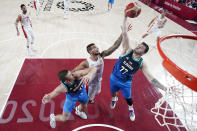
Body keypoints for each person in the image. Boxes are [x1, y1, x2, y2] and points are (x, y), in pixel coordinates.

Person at [109, 14, 167, 121]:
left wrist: (164, 88)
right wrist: (126, 17)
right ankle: (114, 98)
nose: (138, 46)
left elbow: (151, 79)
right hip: (114, 77)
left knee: (128, 99)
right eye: (139, 45)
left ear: (143, 53)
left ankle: (131, 108)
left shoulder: (141, 63)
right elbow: (125, 34)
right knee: (113, 92)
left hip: (126, 83)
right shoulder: (127, 50)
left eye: (141, 48)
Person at [72, 32, 125, 104]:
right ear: (90, 51)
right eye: (94, 48)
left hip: (98, 80)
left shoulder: (102, 55)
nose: (97, 48)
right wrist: (65, 78)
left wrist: (123, 33)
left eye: (96, 47)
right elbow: (75, 70)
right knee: (88, 99)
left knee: (97, 92)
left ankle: (89, 97)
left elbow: (115, 46)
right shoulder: (86, 62)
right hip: (90, 83)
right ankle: (81, 106)